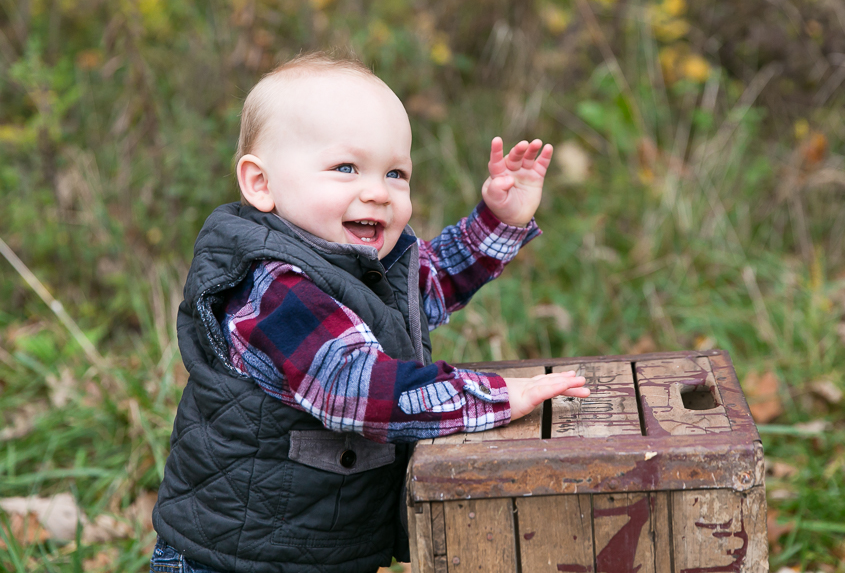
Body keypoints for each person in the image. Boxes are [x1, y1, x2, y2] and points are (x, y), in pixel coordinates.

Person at [150, 51, 589, 573]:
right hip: (236, 559)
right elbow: (355, 389)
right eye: (346, 168)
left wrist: (497, 219)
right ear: (260, 184)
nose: (378, 192)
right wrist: (493, 397)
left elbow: (433, 279)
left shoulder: (362, 263)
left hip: (320, 551)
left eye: (396, 173)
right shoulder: (272, 287)